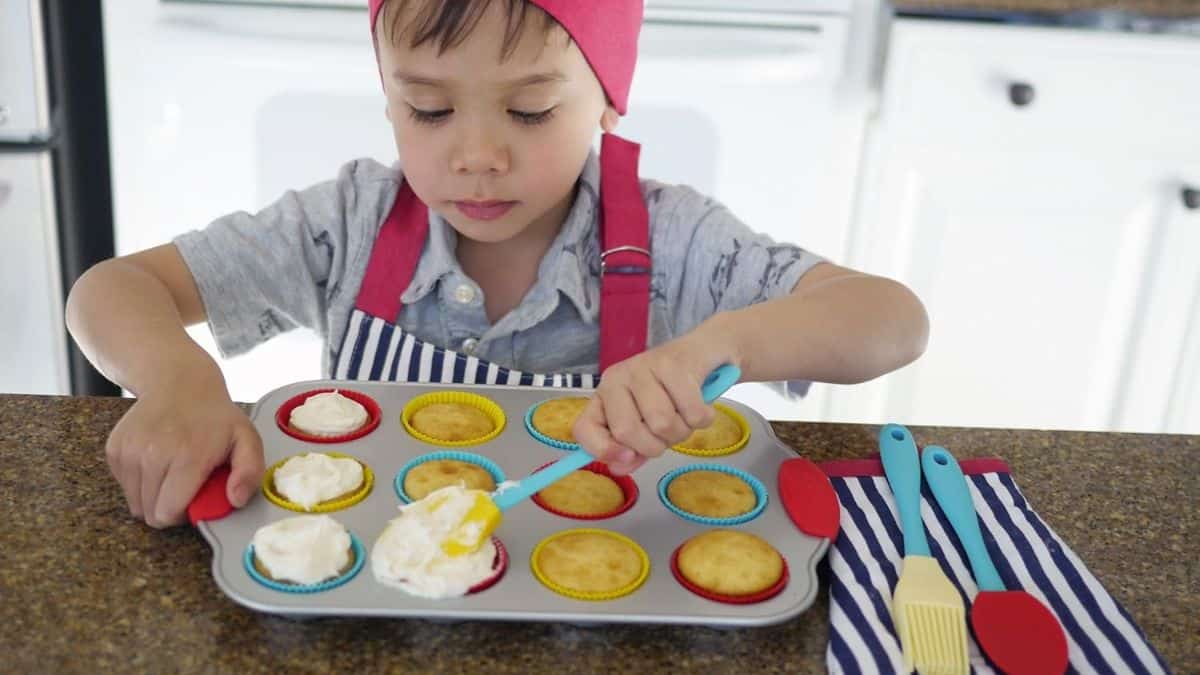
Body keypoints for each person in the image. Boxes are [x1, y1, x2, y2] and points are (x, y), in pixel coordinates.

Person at [65, 0, 929, 529]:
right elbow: (113, 290)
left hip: (601, 586)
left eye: (529, 109)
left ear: (607, 99)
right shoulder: (346, 224)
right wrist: (180, 379)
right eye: (429, 108)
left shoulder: (671, 241)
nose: (476, 155)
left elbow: (891, 319)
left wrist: (727, 341)